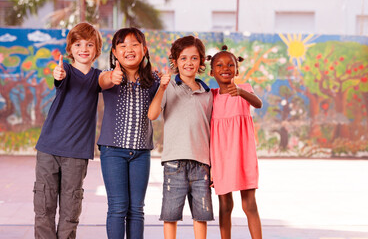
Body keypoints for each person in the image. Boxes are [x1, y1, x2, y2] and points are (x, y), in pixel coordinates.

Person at [33, 22, 104, 238]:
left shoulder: (98, 77)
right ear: (70, 49)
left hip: (77, 153)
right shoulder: (65, 72)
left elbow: (108, 81)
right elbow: (59, 78)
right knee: (44, 206)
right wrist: (58, 74)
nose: (83, 48)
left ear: (96, 50)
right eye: (78, 44)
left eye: (89, 44)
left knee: (70, 210)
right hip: (49, 149)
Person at [97, 27, 160, 239]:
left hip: (142, 152)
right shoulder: (108, 77)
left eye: (134, 45)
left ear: (144, 49)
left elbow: (156, 111)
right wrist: (112, 76)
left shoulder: (154, 80)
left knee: (137, 209)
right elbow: (103, 81)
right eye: (122, 46)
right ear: (114, 52)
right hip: (112, 151)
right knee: (117, 207)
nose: (129, 49)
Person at [148, 35, 214, 239]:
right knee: (171, 215)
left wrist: (213, 166)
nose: (189, 63)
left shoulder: (207, 93)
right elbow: (152, 114)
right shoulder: (168, 87)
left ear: (201, 61)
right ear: (175, 61)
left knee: (201, 215)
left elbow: (210, 129)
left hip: (201, 163)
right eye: (183, 58)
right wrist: (162, 87)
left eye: (194, 58)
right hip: (174, 162)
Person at [208, 45, 263, 239]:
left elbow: (258, 103)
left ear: (237, 70)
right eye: (220, 64)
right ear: (211, 70)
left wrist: (240, 92)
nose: (225, 68)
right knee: (225, 205)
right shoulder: (211, 97)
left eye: (231, 64)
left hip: (243, 155)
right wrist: (210, 166)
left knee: (249, 204)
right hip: (221, 158)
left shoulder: (244, 90)